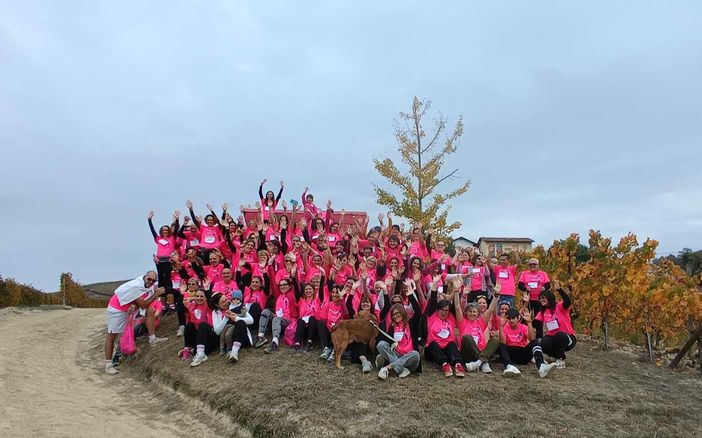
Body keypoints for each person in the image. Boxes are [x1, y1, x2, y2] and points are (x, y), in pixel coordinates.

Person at [104, 272, 167, 374]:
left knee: (150, 310)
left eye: (153, 280)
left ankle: (152, 339)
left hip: (131, 308)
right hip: (117, 309)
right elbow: (143, 305)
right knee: (112, 336)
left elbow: (145, 303)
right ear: (145, 277)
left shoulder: (148, 285)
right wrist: (156, 294)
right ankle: (108, 364)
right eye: (149, 279)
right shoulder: (136, 287)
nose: (151, 282)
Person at [424, 276, 465, 378]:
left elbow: (456, 306)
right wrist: (435, 284)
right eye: (441, 310)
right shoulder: (432, 316)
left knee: (451, 344)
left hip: (447, 349)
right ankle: (445, 365)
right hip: (433, 350)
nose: (444, 312)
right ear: (437, 310)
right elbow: (433, 300)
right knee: (433, 344)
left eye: (446, 310)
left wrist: (456, 291)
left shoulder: (450, 317)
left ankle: (458, 365)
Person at [455, 287, 501, 373]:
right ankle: (483, 362)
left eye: (474, 312)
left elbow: (490, 309)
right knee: (467, 337)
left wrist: (496, 295)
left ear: (478, 313)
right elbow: (457, 307)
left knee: (495, 340)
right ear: (466, 313)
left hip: (481, 351)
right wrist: (456, 292)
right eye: (470, 311)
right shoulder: (462, 322)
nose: (472, 314)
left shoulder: (481, 322)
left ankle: (478, 362)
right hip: (467, 353)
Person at [376, 297, 422, 380]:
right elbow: (387, 342)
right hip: (396, 354)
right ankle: (401, 368)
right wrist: (392, 344)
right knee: (381, 344)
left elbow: (418, 312)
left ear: (402, 312)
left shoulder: (411, 323)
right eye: (393, 315)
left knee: (416, 354)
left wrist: (411, 295)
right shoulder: (392, 326)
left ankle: (388, 367)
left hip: (409, 356)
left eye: (397, 313)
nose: (395, 316)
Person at [535, 281, 576, 368]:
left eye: (543, 298)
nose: (541, 300)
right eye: (540, 298)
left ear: (549, 298)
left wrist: (560, 290)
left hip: (567, 337)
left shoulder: (559, 306)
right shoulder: (543, 311)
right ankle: (555, 356)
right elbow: (534, 323)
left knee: (560, 335)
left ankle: (560, 359)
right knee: (543, 342)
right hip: (552, 337)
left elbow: (567, 301)